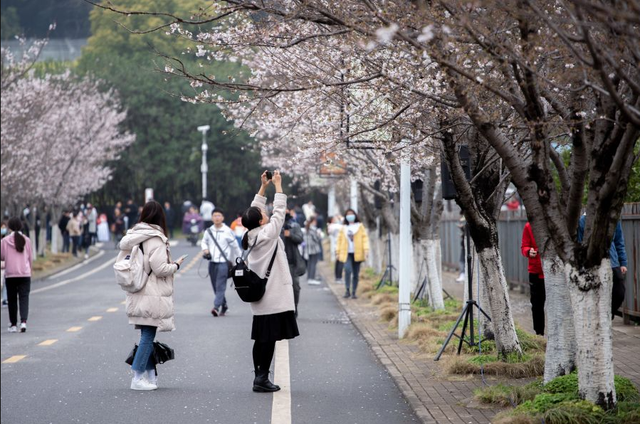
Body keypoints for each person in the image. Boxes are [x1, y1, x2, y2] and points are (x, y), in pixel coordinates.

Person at [241, 170, 299, 392]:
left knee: (261, 339)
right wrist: (278, 186)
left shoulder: (251, 234)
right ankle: (261, 379)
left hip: (261, 297)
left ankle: (260, 376)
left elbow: (254, 212)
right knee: (268, 340)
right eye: (261, 214)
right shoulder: (268, 234)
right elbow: (279, 212)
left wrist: (263, 188)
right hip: (273, 295)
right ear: (260, 220)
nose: (264, 214)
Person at [119, 201, 186, 391]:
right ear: (160, 217)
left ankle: (150, 375)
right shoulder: (155, 239)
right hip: (151, 293)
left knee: (146, 333)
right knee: (148, 334)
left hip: (138, 289)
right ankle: (137, 377)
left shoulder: (134, 235)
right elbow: (160, 269)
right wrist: (176, 265)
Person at [577, 215, 627, 319]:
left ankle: (609, 314)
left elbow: (619, 241)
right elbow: (580, 243)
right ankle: (599, 318)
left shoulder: (613, 218)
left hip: (612, 261)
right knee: (596, 293)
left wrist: (623, 262)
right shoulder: (584, 220)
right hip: (592, 264)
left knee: (619, 292)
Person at [201, 208, 241, 317]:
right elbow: (204, 241)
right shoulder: (209, 231)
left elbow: (236, 247)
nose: (217, 218)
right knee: (215, 286)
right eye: (215, 215)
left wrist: (240, 260)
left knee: (220, 286)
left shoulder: (228, 231)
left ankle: (216, 307)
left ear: (222, 218)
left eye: (219, 216)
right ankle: (224, 305)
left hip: (223, 263)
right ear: (212, 217)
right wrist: (205, 249)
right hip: (212, 263)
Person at [1, 218, 33, 333]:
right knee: (24, 298)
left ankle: (13, 325)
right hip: (25, 273)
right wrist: (30, 272)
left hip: (10, 275)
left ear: (9, 227)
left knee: (12, 300)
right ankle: (23, 322)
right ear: (21, 227)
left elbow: (2, 256)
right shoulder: (27, 240)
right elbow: (30, 258)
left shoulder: (5, 241)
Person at [336, 209, 369, 299]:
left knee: (356, 273)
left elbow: (364, 239)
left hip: (357, 253)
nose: (350, 216)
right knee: (347, 269)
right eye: (348, 214)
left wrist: (366, 250)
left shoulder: (360, 226)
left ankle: (354, 292)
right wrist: (337, 252)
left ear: (355, 215)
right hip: (346, 253)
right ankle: (347, 290)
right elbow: (339, 240)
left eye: (352, 214)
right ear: (346, 216)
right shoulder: (343, 228)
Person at [521, 222, 545, 336]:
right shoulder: (529, 226)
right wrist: (528, 251)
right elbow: (524, 247)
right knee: (536, 304)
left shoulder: (556, 223)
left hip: (554, 273)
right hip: (535, 271)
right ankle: (539, 333)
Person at [281, 207, 304, 316]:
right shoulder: (273, 225)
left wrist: (290, 234)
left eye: (285, 209)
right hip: (278, 263)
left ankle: (294, 307)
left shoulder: (295, 225)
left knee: (295, 287)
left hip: (292, 261)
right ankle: (283, 309)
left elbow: (300, 239)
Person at [303, 216, 323, 285]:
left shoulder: (307, 228)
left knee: (309, 264)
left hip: (308, 249)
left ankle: (309, 278)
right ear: (313, 221)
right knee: (313, 264)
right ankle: (311, 278)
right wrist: (319, 235)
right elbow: (316, 239)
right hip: (314, 249)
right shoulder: (313, 229)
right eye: (315, 221)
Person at [327, 215, 344, 283]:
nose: (336, 219)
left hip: (337, 246)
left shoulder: (332, 226)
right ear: (331, 220)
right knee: (340, 262)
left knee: (338, 262)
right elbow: (343, 225)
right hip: (339, 246)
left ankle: (338, 277)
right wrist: (341, 218)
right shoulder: (333, 226)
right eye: (334, 218)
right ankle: (338, 278)